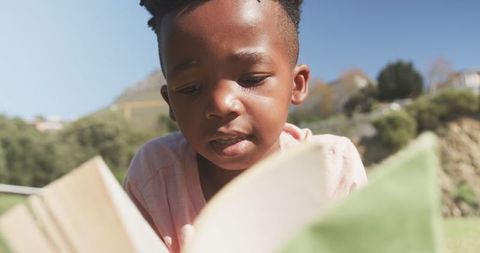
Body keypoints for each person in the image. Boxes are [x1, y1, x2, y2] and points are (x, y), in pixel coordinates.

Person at [124, 0, 367, 252]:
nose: (222, 104)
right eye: (190, 88)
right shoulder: (155, 178)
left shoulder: (332, 167)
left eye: (252, 79)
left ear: (296, 85)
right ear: (171, 103)